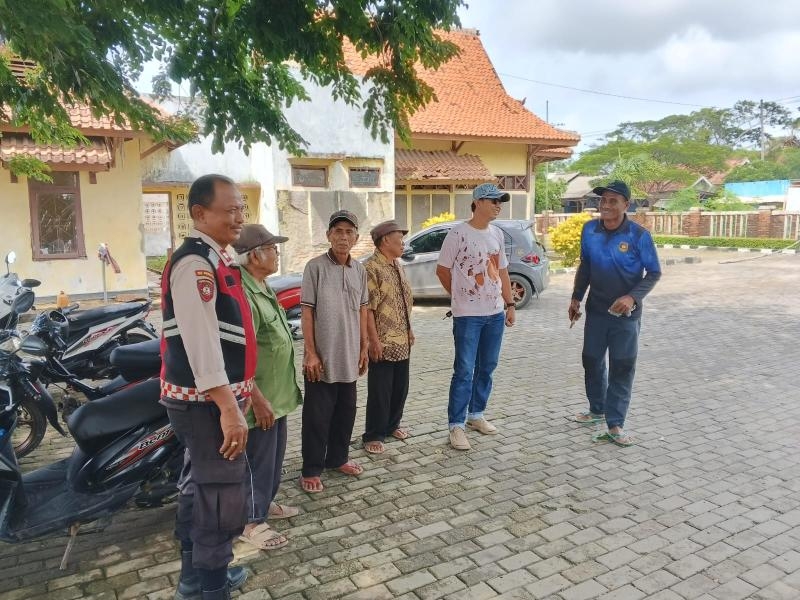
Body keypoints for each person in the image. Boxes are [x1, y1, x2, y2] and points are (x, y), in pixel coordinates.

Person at [160, 174, 255, 600]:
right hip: (205, 405)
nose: (239, 217)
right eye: (230, 209)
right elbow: (201, 341)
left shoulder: (217, 258)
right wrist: (229, 408)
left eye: (241, 208)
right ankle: (211, 587)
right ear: (200, 213)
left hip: (211, 401)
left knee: (198, 485)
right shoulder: (195, 264)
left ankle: (194, 578)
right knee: (219, 493)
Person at [569, 180, 661, 447]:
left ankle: (615, 424)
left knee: (622, 365)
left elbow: (654, 272)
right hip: (596, 310)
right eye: (603, 200)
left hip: (626, 316)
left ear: (626, 205)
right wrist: (576, 297)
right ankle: (597, 408)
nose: (606, 206)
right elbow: (585, 265)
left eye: (612, 201)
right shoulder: (589, 230)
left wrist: (632, 296)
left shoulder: (638, 236)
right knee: (591, 359)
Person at [233, 224, 303, 551]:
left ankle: (265, 504)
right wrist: (256, 399)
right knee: (257, 463)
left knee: (274, 460)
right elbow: (241, 354)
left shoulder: (262, 284)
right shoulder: (244, 293)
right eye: (273, 248)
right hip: (261, 398)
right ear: (256, 255)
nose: (277, 253)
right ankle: (251, 520)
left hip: (279, 394)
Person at [436, 183, 516, 451]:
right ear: (478, 201)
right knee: (464, 371)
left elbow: (502, 271)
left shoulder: (497, 234)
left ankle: (476, 415)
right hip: (468, 316)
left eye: (500, 202)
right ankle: (455, 425)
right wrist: (458, 296)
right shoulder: (458, 233)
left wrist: (510, 303)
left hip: (494, 314)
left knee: (487, 366)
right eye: (494, 201)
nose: (498, 206)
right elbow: (442, 270)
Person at [299, 210, 369, 492]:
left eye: (348, 232)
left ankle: (338, 458)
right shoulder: (314, 267)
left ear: (356, 238)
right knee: (317, 415)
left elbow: (363, 310)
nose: (343, 236)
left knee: (346, 411)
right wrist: (311, 353)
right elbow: (306, 313)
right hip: (322, 357)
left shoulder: (359, 270)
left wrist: (364, 346)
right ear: (328, 236)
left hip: (350, 354)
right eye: (337, 231)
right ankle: (311, 468)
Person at [361, 220, 414, 455]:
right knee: (380, 390)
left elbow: (403, 301)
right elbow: (368, 309)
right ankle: (374, 433)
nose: (403, 243)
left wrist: (410, 329)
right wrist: (372, 340)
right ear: (385, 241)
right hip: (382, 341)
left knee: (400, 387)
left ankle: (393, 425)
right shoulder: (371, 268)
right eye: (399, 238)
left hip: (402, 339)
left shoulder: (396, 265)